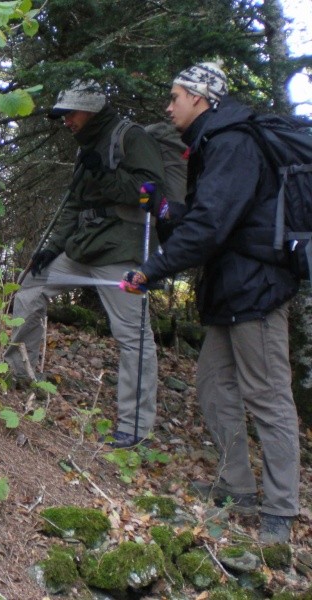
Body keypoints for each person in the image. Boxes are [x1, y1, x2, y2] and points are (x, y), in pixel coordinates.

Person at [122, 62, 301, 544]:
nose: (169, 105)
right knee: (214, 385)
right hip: (231, 290)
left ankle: (282, 511)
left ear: (200, 99)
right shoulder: (214, 143)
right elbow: (208, 217)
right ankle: (237, 486)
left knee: (268, 397)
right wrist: (164, 208)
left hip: (256, 289)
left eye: (175, 96)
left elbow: (212, 227)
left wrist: (151, 269)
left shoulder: (233, 143)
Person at [5, 79, 166, 449]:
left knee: (133, 335)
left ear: (90, 111)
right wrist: (51, 248)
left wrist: (106, 175)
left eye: (70, 114)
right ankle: (18, 373)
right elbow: (74, 207)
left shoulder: (131, 137)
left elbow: (151, 194)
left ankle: (135, 426)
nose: (65, 121)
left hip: (122, 251)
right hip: (84, 247)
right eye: (62, 115)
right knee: (31, 284)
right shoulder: (87, 149)